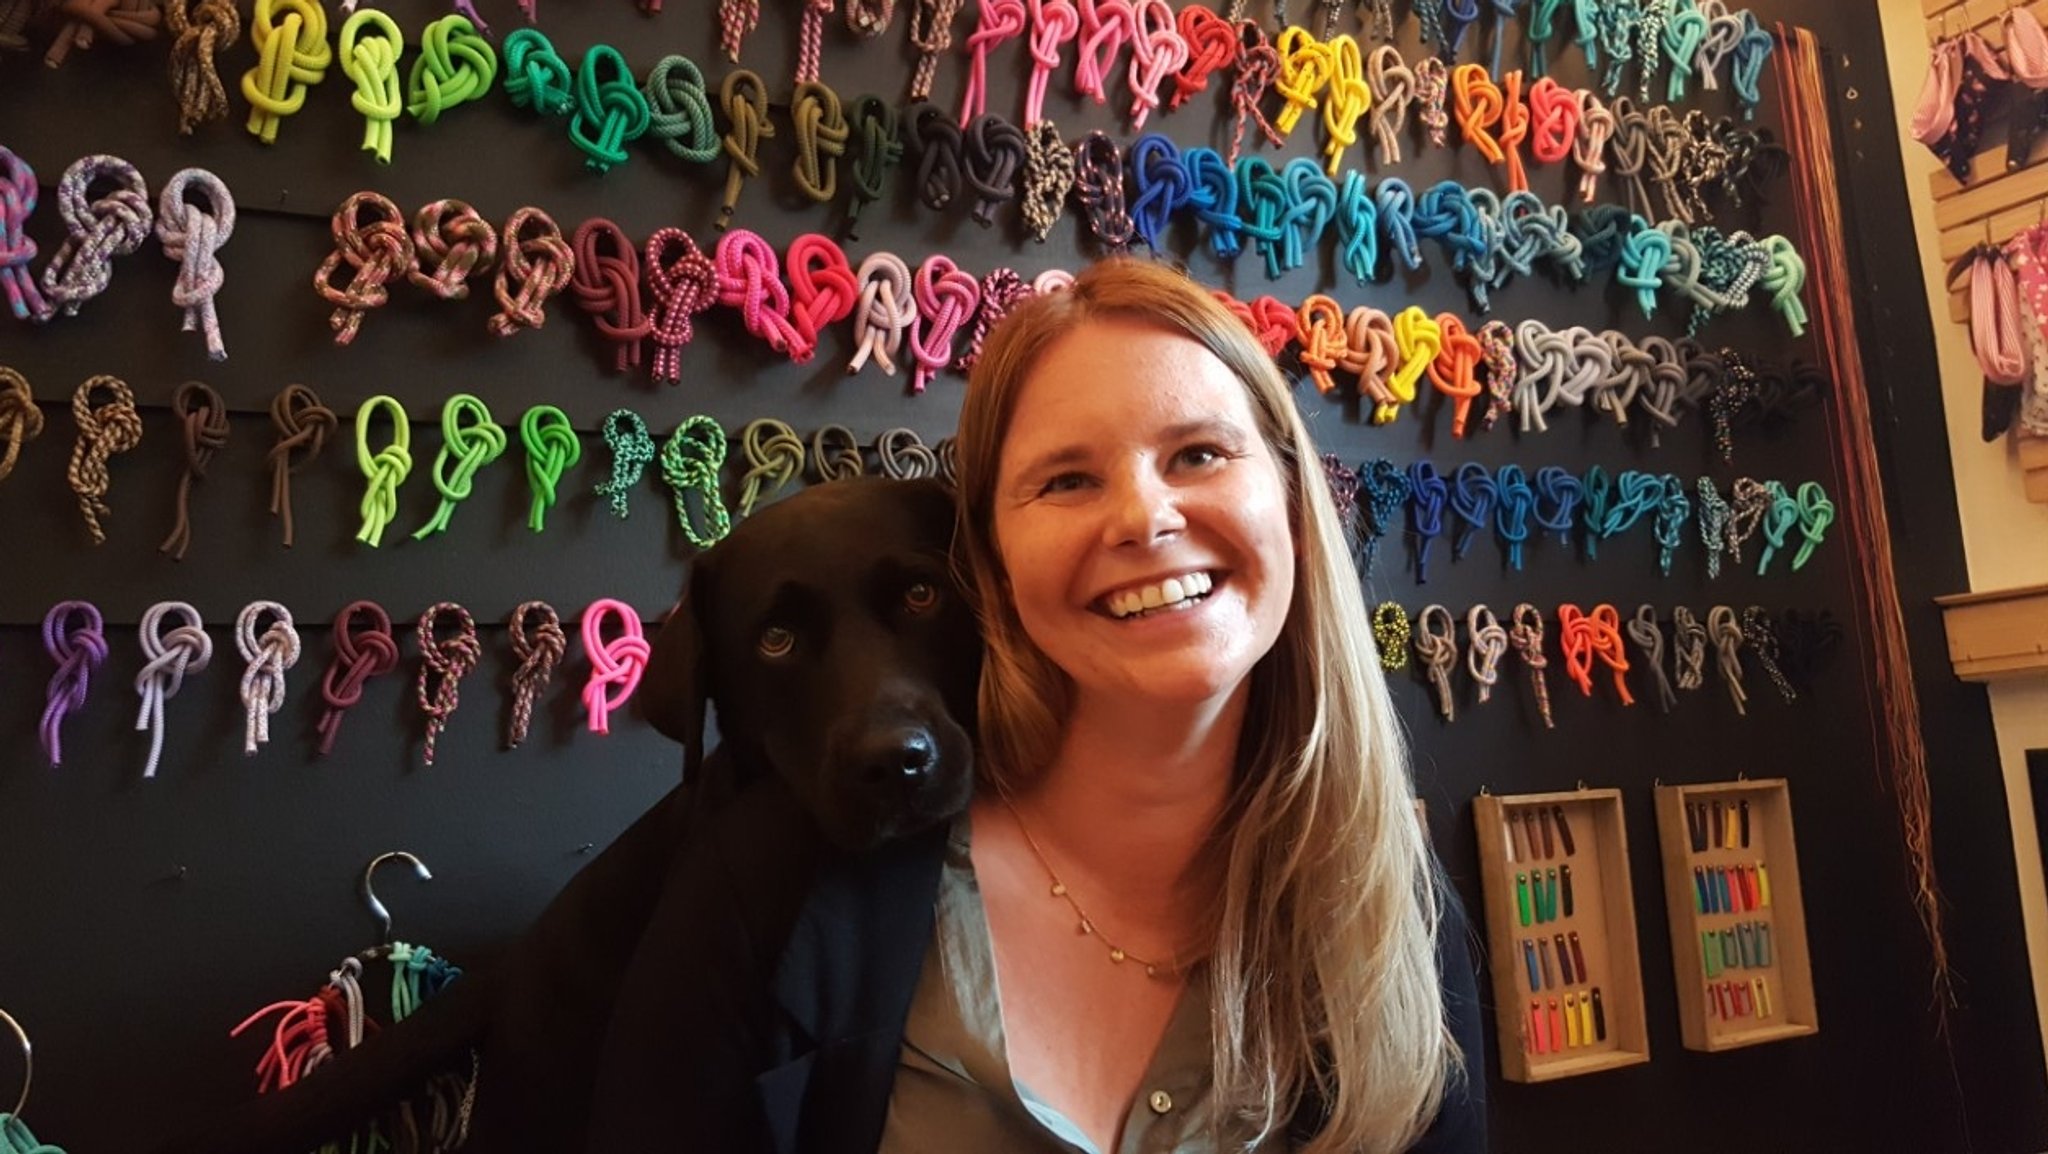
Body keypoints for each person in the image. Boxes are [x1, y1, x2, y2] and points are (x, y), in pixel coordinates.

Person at [577, 257, 1483, 1153]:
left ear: (1290, 499)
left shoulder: (1381, 902)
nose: (1143, 517)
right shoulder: (777, 888)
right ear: (990, 558)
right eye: (1067, 480)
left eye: (1199, 453)